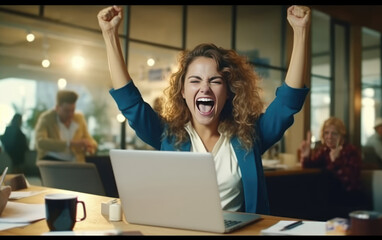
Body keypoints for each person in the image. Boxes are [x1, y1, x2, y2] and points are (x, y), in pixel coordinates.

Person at [97, 5, 310, 215]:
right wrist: (109, 35)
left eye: (215, 81)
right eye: (195, 80)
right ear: (182, 91)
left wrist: (300, 32)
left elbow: (287, 104)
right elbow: (130, 103)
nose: (204, 88)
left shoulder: (250, 135)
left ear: (228, 92)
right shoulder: (167, 135)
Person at [299, 117, 371, 220]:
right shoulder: (325, 150)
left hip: (351, 200)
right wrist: (305, 156)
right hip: (333, 199)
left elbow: (350, 183)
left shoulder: (351, 151)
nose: (329, 137)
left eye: (334, 133)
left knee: (315, 209)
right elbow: (311, 166)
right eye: (326, 133)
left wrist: (336, 161)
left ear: (342, 135)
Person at [34, 90, 98, 163]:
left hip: (75, 163)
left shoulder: (79, 118)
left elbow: (90, 140)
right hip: (52, 162)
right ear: (57, 108)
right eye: (66, 111)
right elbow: (40, 142)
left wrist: (90, 146)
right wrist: (70, 144)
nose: (70, 114)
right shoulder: (46, 118)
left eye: (73, 110)